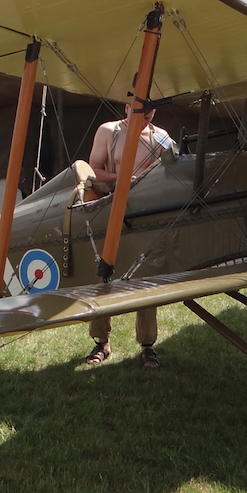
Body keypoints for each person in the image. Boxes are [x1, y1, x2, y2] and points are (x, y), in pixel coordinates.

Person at [84, 104, 173, 368]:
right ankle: (101, 342)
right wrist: (124, 177)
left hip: (146, 215)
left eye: (150, 114)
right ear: (127, 106)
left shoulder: (162, 138)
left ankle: (147, 346)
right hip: (110, 212)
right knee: (102, 274)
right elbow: (92, 171)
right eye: (140, 112)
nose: (145, 118)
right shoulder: (109, 131)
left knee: (146, 277)